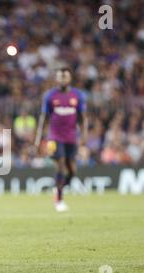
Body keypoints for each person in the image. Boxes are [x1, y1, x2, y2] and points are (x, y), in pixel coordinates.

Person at [34, 67, 87, 212]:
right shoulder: (50, 96)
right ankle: (59, 200)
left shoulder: (78, 95)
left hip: (71, 137)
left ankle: (58, 190)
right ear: (56, 79)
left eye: (65, 76)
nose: (63, 79)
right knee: (61, 165)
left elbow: (82, 118)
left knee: (72, 171)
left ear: (69, 78)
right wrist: (38, 139)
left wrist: (84, 137)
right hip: (54, 138)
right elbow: (44, 118)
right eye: (60, 77)